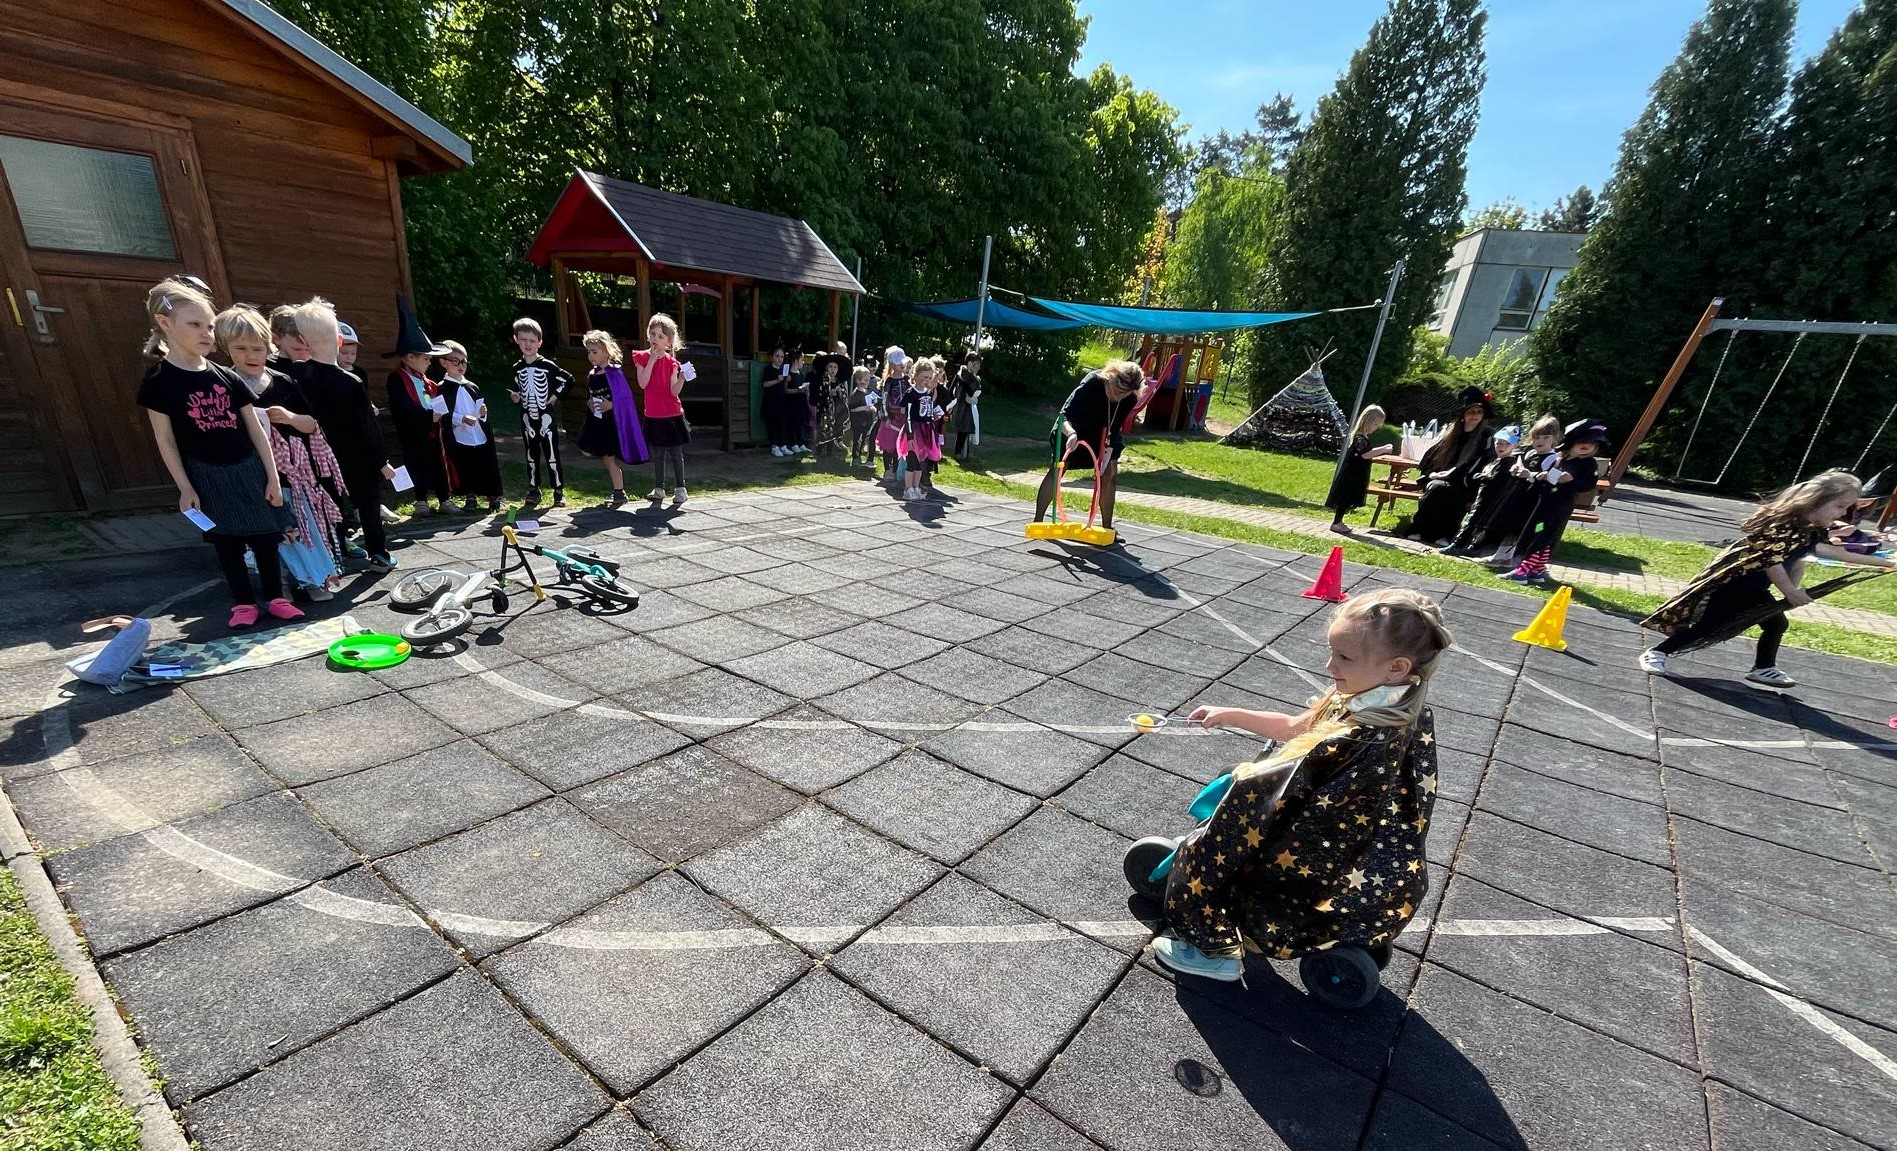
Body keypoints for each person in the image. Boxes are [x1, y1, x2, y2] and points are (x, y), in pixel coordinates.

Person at [1151, 588, 1452, 982]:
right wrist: (1230, 714)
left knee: (1212, 846)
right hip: (1354, 833)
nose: (1330, 665)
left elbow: (1290, 786)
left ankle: (1210, 948)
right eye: (1332, 652)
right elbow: (1299, 728)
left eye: (1344, 657)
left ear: (1396, 666)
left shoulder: (1365, 733)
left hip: (1315, 836)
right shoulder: (1387, 702)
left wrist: (1244, 781)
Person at [137, 279, 300, 629]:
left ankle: (276, 597)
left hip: (248, 468)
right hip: (206, 472)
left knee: (266, 537)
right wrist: (185, 487)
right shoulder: (159, 382)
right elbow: (165, 440)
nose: (206, 333)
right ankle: (243, 603)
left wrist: (272, 478)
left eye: (209, 326)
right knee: (226, 541)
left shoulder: (226, 377)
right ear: (166, 323)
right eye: (195, 324)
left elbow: (256, 430)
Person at [1640, 470, 1896, 688]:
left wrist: (1887, 564)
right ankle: (1657, 652)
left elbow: (1832, 553)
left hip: (1754, 587)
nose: (1844, 513)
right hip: (1735, 583)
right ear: (1816, 501)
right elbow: (1771, 562)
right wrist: (1790, 593)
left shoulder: (1811, 530)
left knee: (1774, 624)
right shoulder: (1782, 525)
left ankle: (1763, 668)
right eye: (1840, 506)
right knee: (1710, 627)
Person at [216, 304, 346, 601]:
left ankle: (313, 580)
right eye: (241, 349)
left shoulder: (283, 381)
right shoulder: (225, 384)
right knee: (266, 533)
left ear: (268, 347)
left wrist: (289, 418)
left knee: (299, 527)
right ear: (227, 348)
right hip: (251, 471)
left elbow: (311, 424)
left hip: (291, 474)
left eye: (257, 349)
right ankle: (279, 585)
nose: (251, 356)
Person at [294, 298, 398, 572]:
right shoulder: (351, 382)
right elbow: (368, 426)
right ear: (339, 341)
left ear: (303, 341)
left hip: (319, 456)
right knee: (369, 503)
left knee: (330, 504)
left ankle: (335, 555)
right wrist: (381, 461)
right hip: (357, 456)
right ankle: (378, 554)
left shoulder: (297, 375)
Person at [1033, 360, 1143, 532]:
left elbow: (1114, 429)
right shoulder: (1093, 383)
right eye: (1116, 391)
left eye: (1124, 394)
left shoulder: (1130, 398)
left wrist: (1104, 460)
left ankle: (1107, 528)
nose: (1118, 396)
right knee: (1058, 469)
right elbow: (1064, 417)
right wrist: (1072, 434)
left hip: (1105, 433)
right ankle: (1038, 521)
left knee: (1109, 474)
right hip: (1073, 428)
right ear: (1111, 378)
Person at [1500, 418, 1608, 586]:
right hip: (1545, 503)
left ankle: (1523, 570)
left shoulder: (1588, 464)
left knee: (1541, 535)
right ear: (1571, 442)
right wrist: (1543, 476)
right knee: (1539, 534)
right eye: (1582, 441)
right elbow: (1549, 477)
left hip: (1559, 507)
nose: (1587, 445)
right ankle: (1536, 570)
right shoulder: (1560, 459)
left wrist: (1571, 481)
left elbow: (1588, 485)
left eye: (1592, 443)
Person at [384, 297, 454, 517]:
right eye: (426, 358)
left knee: (438, 463)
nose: (429, 362)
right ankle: (421, 499)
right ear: (409, 358)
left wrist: (439, 415)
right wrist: (427, 416)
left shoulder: (428, 383)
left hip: (433, 432)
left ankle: (444, 498)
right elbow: (402, 406)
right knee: (417, 464)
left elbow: (436, 402)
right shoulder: (397, 379)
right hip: (413, 433)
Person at [1405, 387, 1495, 546]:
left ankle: (1445, 535)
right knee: (1436, 488)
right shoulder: (1451, 435)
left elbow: (1485, 463)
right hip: (1439, 478)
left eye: (1479, 412)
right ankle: (1419, 529)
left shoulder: (1486, 437)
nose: (1475, 415)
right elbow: (1431, 459)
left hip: (1467, 483)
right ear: (1463, 415)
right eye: (1471, 412)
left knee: (1452, 494)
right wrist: (1432, 474)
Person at [575, 329, 649, 508]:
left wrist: (612, 405)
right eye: (589, 352)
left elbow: (625, 398)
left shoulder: (614, 373)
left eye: (594, 352)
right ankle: (619, 491)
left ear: (606, 351)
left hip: (612, 423)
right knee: (601, 456)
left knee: (608, 458)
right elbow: (591, 395)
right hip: (597, 421)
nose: (591, 356)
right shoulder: (592, 375)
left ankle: (619, 491)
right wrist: (590, 403)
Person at [507, 317, 576, 507]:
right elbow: (518, 388)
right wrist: (516, 397)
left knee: (552, 454)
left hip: (546, 417)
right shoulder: (517, 368)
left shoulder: (547, 366)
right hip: (527, 418)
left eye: (531, 340)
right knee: (531, 454)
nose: (527, 344)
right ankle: (533, 489)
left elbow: (568, 379)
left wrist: (554, 397)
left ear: (539, 342)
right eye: (523, 340)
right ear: (516, 340)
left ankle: (558, 490)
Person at [437, 340, 502, 513]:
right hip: (460, 436)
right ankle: (470, 496)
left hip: (478, 434)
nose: (461, 366)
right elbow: (442, 415)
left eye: (464, 362)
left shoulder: (472, 386)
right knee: (467, 467)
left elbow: (481, 411)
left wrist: (483, 413)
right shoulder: (442, 388)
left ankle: (493, 496)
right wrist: (461, 419)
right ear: (443, 362)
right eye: (455, 361)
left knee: (485, 465)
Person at [634, 312, 691, 507]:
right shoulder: (641, 357)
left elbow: (673, 391)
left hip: (672, 414)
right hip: (654, 414)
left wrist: (682, 378)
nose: (655, 339)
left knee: (675, 453)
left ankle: (681, 488)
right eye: (653, 334)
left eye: (660, 336)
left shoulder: (672, 363)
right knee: (658, 453)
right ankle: (659, 488)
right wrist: (651, 360)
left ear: (669, 341)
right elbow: (643, 383)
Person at [1440, 425, 1522, 555]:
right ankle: (1470, 546)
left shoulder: (1508, 462)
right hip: (1483, 496)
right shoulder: (1496, 460)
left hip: (1491, 499)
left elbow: (1494, 479)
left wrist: (1479, 476)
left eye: (1507, 444)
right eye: (1498, 443)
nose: (1501, 446)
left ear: (1515, 446)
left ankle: (1460, 544)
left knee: (1474, 522)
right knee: (1474, 521)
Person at [1326, 404, 1395, 534]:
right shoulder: (1359, 437)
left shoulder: (1363, 437)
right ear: (1368, 421)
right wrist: (1383, 449)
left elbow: (1367, 452)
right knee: (1345, 497)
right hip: (1351, 473)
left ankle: (1339, 521)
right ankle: (1336, 522)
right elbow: (1366, 454)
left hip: (1358, 473)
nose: (1376, 428)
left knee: (1349, 497)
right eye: (1375, 424)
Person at [901, 357, 948, 501]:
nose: (926, 380)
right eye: (923, 377)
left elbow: (928, 412)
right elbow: (907, 416)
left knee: (920, 462)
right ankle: (908, 489)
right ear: (915, 375)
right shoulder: (911, 393)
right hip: (914, 431)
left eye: (928, 377)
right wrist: (909, 437)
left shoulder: (928, 393)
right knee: (912, 461)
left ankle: (916, 487)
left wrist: (933, 417)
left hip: (926, 431)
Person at [875, 347, 911, 483]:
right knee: (888, 444)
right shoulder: (889, 382)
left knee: (898, 445)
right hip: (892, 417)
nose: (901, 364)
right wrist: (887, 417)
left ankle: (896, 469)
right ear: (891, 364)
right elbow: (885, 400)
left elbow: (910, 397)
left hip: (902, 418)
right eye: (897, 362)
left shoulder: (906, 380)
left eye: (902, 362)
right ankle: (887, 469)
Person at [949, 353, 982, 461]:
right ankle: (958, 452)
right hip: (962, 407)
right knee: (963, 430)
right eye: (975, 364)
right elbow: (967, 390)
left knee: (966, 430)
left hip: (968, 407)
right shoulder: (962, 375)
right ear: (969, 363)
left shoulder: (971, 377)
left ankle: (965, 451)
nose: (977, 367)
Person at [848, 366, 879, 470]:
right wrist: (863, 408)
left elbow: (872, 402)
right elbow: (851, 409)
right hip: (858, 422)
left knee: (864, 439)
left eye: (868, 380)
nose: (866, 382)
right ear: (858, 380)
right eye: (865, 380)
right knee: (858, 440)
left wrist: (873, 405)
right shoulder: (855, 394)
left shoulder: (867, 392)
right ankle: (855, 458)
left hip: (867, 421)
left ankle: (860, 455)